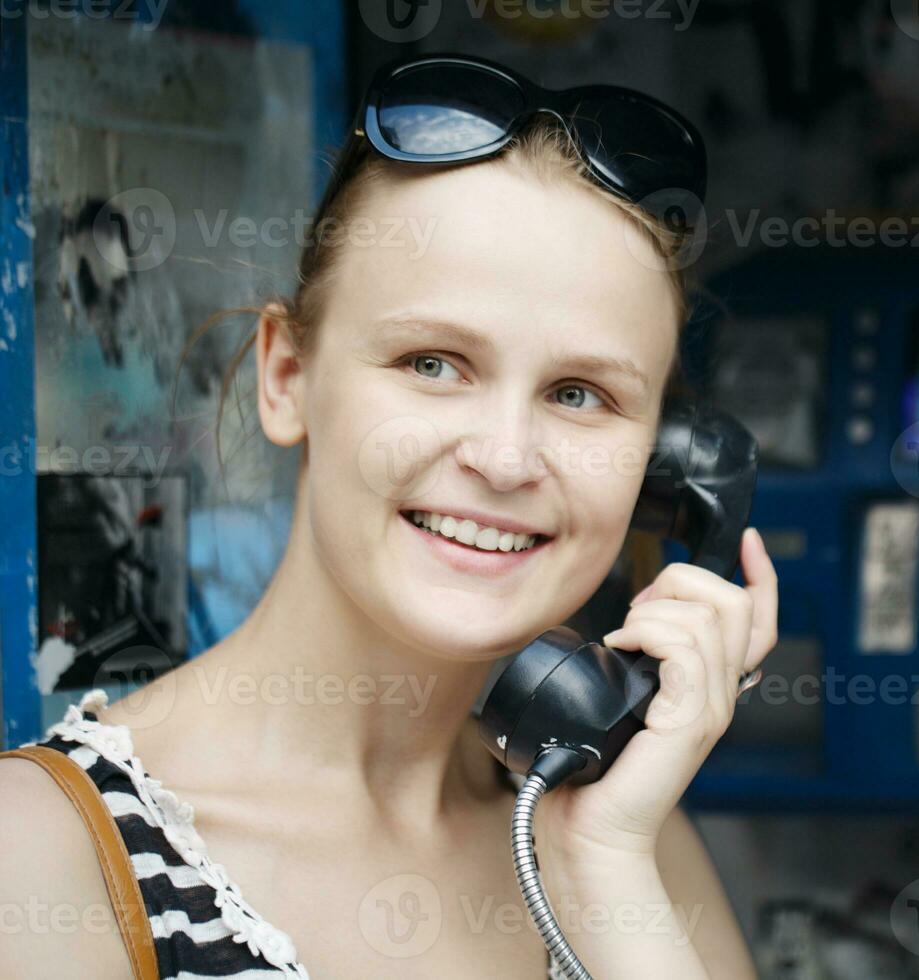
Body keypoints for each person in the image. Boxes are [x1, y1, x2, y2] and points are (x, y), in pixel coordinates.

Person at [0, 55, 776, 979]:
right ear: (285, 379)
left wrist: (605, 868)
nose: (502, 457)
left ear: (661, 464)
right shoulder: (45, 857)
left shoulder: (622, 836)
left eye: (578, 393)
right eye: (432, 363)